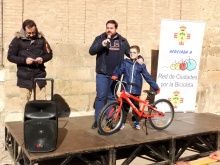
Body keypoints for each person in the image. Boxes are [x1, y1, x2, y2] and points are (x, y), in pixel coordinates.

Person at [89, 20, 143, 129]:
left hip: (115, 74)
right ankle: (97, 120)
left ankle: (109, 120)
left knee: (111, 97)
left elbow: (130, 53)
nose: (109, 30)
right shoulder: (100, 38)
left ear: (116, 29)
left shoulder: (122, 41)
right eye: (107, 27)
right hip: (102, 73)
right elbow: (91, 51)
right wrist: (101, 45)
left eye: (111, 28)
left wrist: (139, 58)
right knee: (100, 97)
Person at [7, 19, 53, 114]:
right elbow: (10, 56)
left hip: (39, 76)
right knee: (25, 103)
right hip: (24, 76)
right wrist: (24, 60)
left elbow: (49, 54)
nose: (31, 35)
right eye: (29, 33)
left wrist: (42, 59)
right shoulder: (17, 40)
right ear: (24, 31)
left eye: (33, 32)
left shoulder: (41, 39)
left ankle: (41, 124)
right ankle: (26, 123)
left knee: (41, 102)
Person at [111, 45, 160, 130]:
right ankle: (122, 122)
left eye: (134, 52)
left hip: (135, 89)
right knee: (124, 107)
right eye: (131, 52)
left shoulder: (140, 64)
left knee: (135, 107)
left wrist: (156, 87)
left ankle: (136, 122)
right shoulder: (125, 62)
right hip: (126, 88)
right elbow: (120, 70)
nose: (132, 54)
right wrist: (116, 74)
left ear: (138, 54)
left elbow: (147, 76)